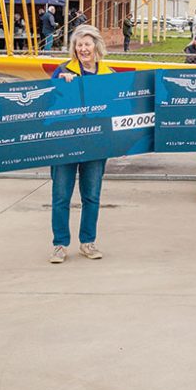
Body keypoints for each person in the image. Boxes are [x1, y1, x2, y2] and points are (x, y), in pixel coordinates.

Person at [48, 25, 114, 264]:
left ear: (96, 46)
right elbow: (48, 102)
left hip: (96, 146)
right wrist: (60, 84)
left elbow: (116, 109)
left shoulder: (109, 73)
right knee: (61, 195)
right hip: (65, 143)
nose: (83, 49)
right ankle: (60, 244)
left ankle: (88, 242)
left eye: (87, 44)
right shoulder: (63, 71)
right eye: (79, 44)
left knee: (92, 196)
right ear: (74, 48)